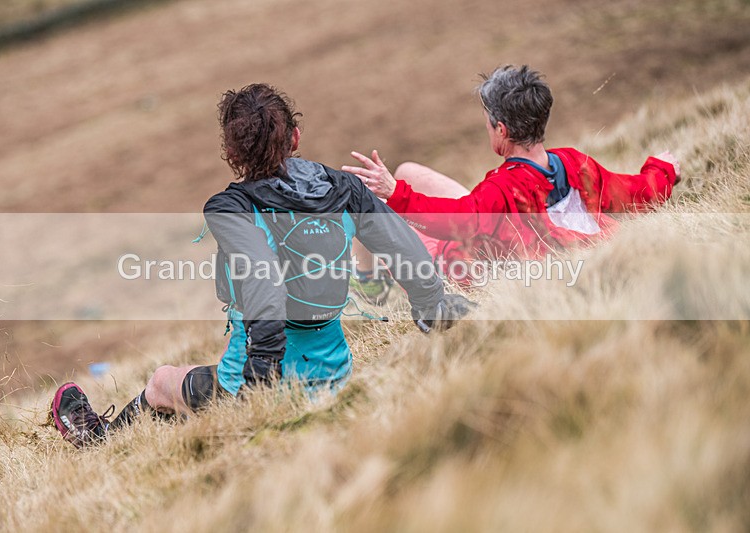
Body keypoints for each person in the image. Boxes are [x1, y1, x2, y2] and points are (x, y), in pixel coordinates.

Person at [51, 83, 473, 448]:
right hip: (335, 376)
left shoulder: (231, 207)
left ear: (232, 153)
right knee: (206, 370)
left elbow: (264, 283)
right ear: (295, 137)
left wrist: (258, 388)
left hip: (260, 384)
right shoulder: (341, 186)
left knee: (163, 380)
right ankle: (169, 431)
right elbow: (402, 245)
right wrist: (432, 305)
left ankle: (98, 441)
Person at [343, 65, 681, 283]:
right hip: (503, 230)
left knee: (365, 199)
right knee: (407, 171)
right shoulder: (574, 164)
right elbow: (636, 193)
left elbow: (458, 222)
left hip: (463, 261)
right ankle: (370, 276)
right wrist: (663, 170)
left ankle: (371, 285)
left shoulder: (502, 190)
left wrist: (394, 192)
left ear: (501, 130)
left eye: (488, 121)